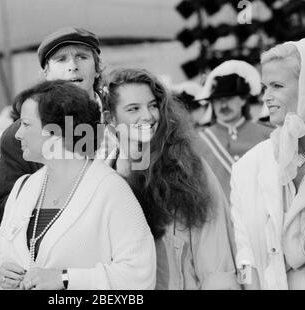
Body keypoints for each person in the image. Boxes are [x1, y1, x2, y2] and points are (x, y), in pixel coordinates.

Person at [0, 80, 156, 290]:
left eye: (26, 124)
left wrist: (66, 279)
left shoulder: (111, 190)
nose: (18, 133)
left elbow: (139, 275)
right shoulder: (23, 187)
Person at [102, 68, 239, 290]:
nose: (148, 116)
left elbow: (217, 264)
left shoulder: (189, 169)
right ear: (111, 120)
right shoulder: (101, 180)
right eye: (133, 108)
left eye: (153, 105)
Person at [0, 26, 117, 225]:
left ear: (96, 69)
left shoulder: (122, 120)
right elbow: (5, 209)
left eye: (82, 57)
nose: (73, 66)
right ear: (46, 72)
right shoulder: (19, 134)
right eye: (61, 59)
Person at [231, 38, 305, 289]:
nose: (266, 98)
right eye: (264, 87)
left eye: (277, 86)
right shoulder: (248, 167)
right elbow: (245, 255)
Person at [194, 60, 273, 198]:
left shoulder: (268, 135)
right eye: (218, 100)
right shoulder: (197, 141)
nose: (223, 105)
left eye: (229, 98)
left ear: (243, 100)